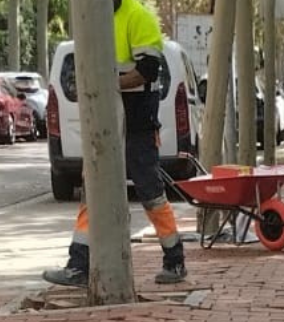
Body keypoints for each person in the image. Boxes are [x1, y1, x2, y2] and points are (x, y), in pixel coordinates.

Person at [44, 0, 186, 287]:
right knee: (92, 189)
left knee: (149, 191)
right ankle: (79, 265)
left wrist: (107, 83)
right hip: (105, 120)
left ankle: (174, 258)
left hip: (137, 123)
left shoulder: (138, 17)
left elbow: (148, 70)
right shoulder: (93, 16)